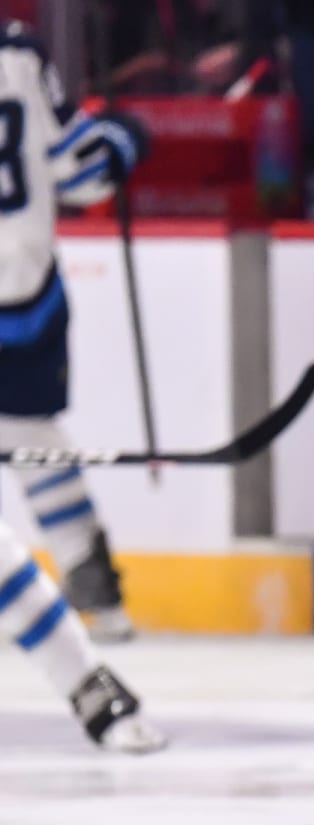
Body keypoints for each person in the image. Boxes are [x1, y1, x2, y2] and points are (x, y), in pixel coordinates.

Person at [0, 20, 145, 643]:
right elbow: (84, 175)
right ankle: (97, 594)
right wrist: (125, 138)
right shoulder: (19, 54)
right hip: (23, 292)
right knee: (32, 433)